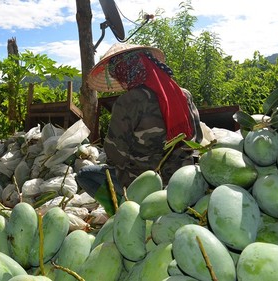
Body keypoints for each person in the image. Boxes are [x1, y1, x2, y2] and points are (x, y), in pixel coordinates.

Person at [76, 43, 203, 197]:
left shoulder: (129, 101)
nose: (120, 80)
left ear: (126, 72)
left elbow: (115, 154)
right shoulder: (184, 95)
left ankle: (121, 209)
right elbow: (198, 138)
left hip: (142, 182)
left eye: (118, 74)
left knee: (84, 174)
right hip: (182, 178)